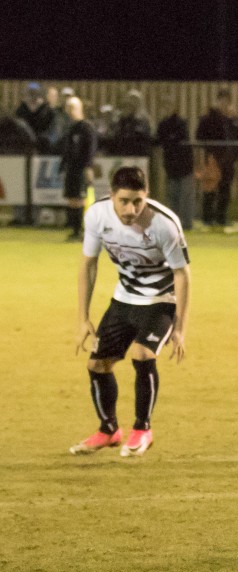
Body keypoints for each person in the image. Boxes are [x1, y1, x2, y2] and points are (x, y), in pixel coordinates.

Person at [71, 166, 191, 458]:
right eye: (124, 200)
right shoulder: (97, 216)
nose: (131, 208)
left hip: (161, 300)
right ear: (111, 195)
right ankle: (109, 429)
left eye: (138, 201)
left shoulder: (165, 224)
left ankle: (142, 429)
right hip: (123, 299)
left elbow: (182, 274)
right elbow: (89, 264)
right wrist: (83, 318)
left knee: (142, 354)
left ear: (146, 195)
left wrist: (179, 327)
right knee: (97, 366)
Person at [196, 89, 238, 228]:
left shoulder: (233, 120)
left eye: (226, 100)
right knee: (210, 188)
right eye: (221, 100)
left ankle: (221, 218)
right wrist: (211, 151)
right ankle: (207, 218)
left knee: (225, 189)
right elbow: (200, 135)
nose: (224, 103)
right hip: (213, 159)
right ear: (217, 101)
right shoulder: (209, 118)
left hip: (228, 160)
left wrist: (235, 155)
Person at [155, 93, 195, 231]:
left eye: (168, 105)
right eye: (164, 105)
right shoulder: (163, 124)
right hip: (171, 166)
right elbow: (160, 140)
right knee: (173, 197)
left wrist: (169, 140)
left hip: (184, 165)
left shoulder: (180, 123)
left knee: (185, 197)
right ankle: (174, 223)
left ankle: (187, 224)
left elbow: (178, 140)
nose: (166, 108)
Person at [61, 97, 98, 241]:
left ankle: (82, 231)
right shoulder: (71, 128)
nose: (69, 112)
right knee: (71, 199)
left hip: (81, 168)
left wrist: (88, 167)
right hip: (71, 168)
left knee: (80, 199)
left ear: (79, 109)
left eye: (72, 108)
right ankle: (75, 230)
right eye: (68, 109)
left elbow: (91, 149)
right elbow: (67, 149)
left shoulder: (86, 128)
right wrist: (63, 165)